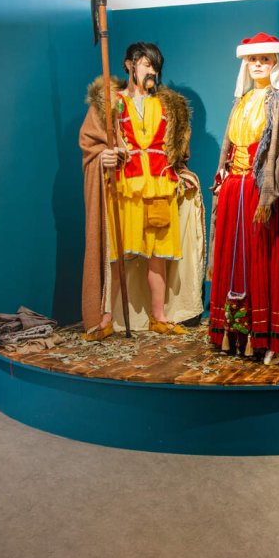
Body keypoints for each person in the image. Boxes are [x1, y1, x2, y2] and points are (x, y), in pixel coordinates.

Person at [208, 32, 279, 365]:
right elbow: (228, 150)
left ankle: (271, 337)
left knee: (263, 258)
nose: (258, 65)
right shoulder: (241, 102)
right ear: (245, 64)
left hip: (262, 195)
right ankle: (237, 335)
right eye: (253, 60)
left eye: (265, 60)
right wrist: (222, 176)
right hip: (234, 191)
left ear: (275, 63)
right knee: (235, 260)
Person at [79, 42, 204, 340]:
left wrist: (182, 174)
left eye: (156, 66)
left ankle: (158, 317)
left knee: (157, 255)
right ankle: (106, 318)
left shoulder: (167, 106)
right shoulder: (111, 103)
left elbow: (178, 154)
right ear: (129, 65)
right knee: (117, 255)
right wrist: (103, 157)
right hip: (124, 187)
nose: (153, 71)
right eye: (147, 64)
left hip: (160, 187)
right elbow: (91, 144)